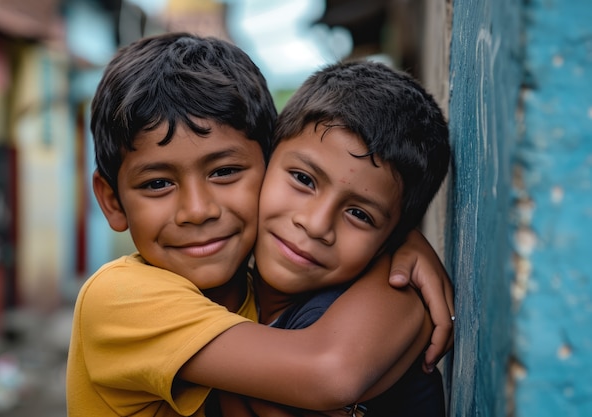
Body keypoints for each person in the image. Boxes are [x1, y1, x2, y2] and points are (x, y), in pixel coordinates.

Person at [66, 32, 454, 417]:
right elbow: (328, 372)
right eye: (157, 184)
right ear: (113, 201)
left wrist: (398, 248)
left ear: (268, 165)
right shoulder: (119, 298)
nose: (197, 210)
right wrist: (400, 255)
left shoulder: (269, 304)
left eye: (225, 172)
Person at [217, 60, 450, 417]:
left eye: (359, 214)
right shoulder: (232, 290)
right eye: (303, 179)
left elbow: (328, 374)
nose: (315, 225)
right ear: (265, 159)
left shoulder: (364, 309)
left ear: (390, 239)